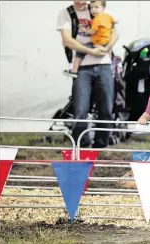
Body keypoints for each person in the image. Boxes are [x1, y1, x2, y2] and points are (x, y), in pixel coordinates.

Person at [57, 0, 118, 149]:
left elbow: (115, 31)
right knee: (80, 109)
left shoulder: (96, 8)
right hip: (82, 68)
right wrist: (91, 51)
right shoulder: (66, 14)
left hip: (104, 64)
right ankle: (82, 147)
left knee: (106, 109)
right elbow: (67, 40)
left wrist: (107, 47)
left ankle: (101, 146)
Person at [63, 0, 116, 78]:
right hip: (106, 42)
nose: (93, 10)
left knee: (80, 52)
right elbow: (114, 25)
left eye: (96, 7)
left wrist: (84, 29)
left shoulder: (97, 19)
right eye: (91, 8)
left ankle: (74, 70)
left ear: (103, 7)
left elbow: (91, 32)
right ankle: (112, 65)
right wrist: (107, 48)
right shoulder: (107, 16)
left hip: (98, 43)